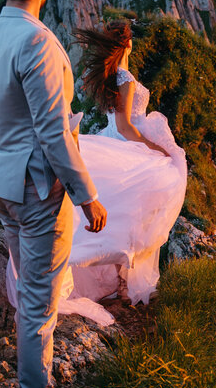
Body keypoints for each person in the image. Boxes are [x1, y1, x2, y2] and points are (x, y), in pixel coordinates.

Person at [0, 0, 107, 388]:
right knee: (38, 304)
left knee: (29, 292)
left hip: (1, 178)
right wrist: (86, 194)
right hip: (35, 187)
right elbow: (52, 133)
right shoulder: (39, 44)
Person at [58, 20, 188, 324]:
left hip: (111, 142)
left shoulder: (111, 77)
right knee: (144, 206)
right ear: (128, 44)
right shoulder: (125, 77)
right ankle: (127, 285)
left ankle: (119, 280)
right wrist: (154, 148)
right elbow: (125, 126)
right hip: (126, 145)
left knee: (124, 212)